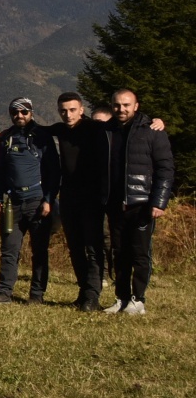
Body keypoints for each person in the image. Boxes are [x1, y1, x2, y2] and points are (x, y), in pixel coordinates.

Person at [101, 88, 175, 315]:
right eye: (116, 105)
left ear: (136, 106)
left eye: (126, 105)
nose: (121, 109)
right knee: (119, 252)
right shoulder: (107, 131)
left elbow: (165, 168)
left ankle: (138, 299)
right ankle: (121, 298)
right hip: (114, 204)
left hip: (141, 203)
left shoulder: (152, 131)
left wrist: (158, 202)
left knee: (140, 252)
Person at [0, 98, 57, 304]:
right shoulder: (6, 138)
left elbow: (54, 171)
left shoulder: (43, 137)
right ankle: (4, 292)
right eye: (15, 112)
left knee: (39, 250)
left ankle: (36, 295)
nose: (19, 116)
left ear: (31, 112)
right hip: (12, 202)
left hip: (36, 201)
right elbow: (0, 171)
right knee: (9, 250)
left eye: (24, 112)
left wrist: (48, 199)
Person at [52, 92, 108, 310]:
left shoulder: (95, 128)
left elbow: (126, 122)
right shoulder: (59, 130)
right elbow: (33, 129)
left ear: (81, 110)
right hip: (68, 197)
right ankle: (83, 291)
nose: (68, 114)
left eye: (72, 110)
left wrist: (154, 121)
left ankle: (92, 296)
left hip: (92, 198)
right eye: (63, 110)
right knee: (75, 247)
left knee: (93, 247)